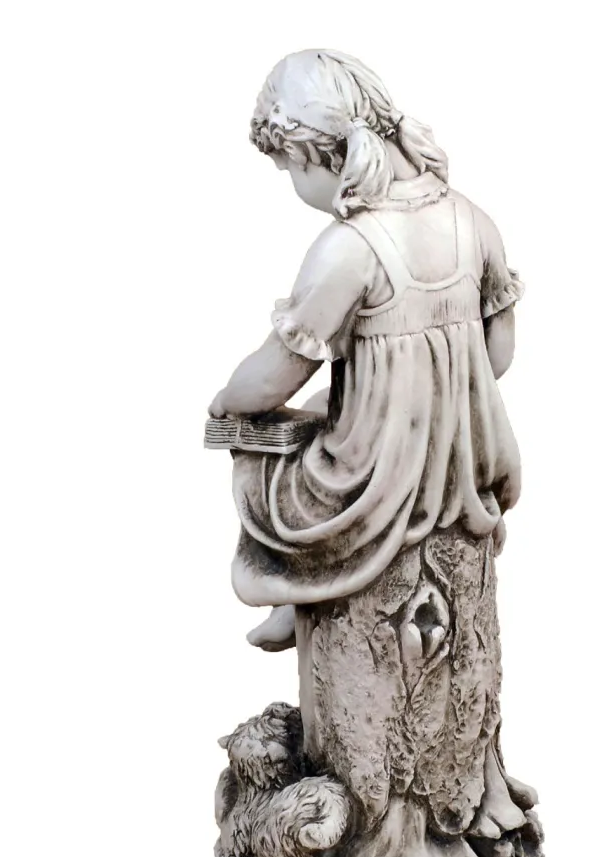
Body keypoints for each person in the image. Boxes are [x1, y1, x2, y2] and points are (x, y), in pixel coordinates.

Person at [208, 49, 524, 652]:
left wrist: (229, 399)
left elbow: (275, 376)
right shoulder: (474, 221)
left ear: (312, 155)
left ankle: (295, 585)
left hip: (374, 486)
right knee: (325, 408)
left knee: (266, 464)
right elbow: (498, 358)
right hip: (464, 466)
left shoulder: (349, 249)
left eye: (289, 169)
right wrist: (427, 391)